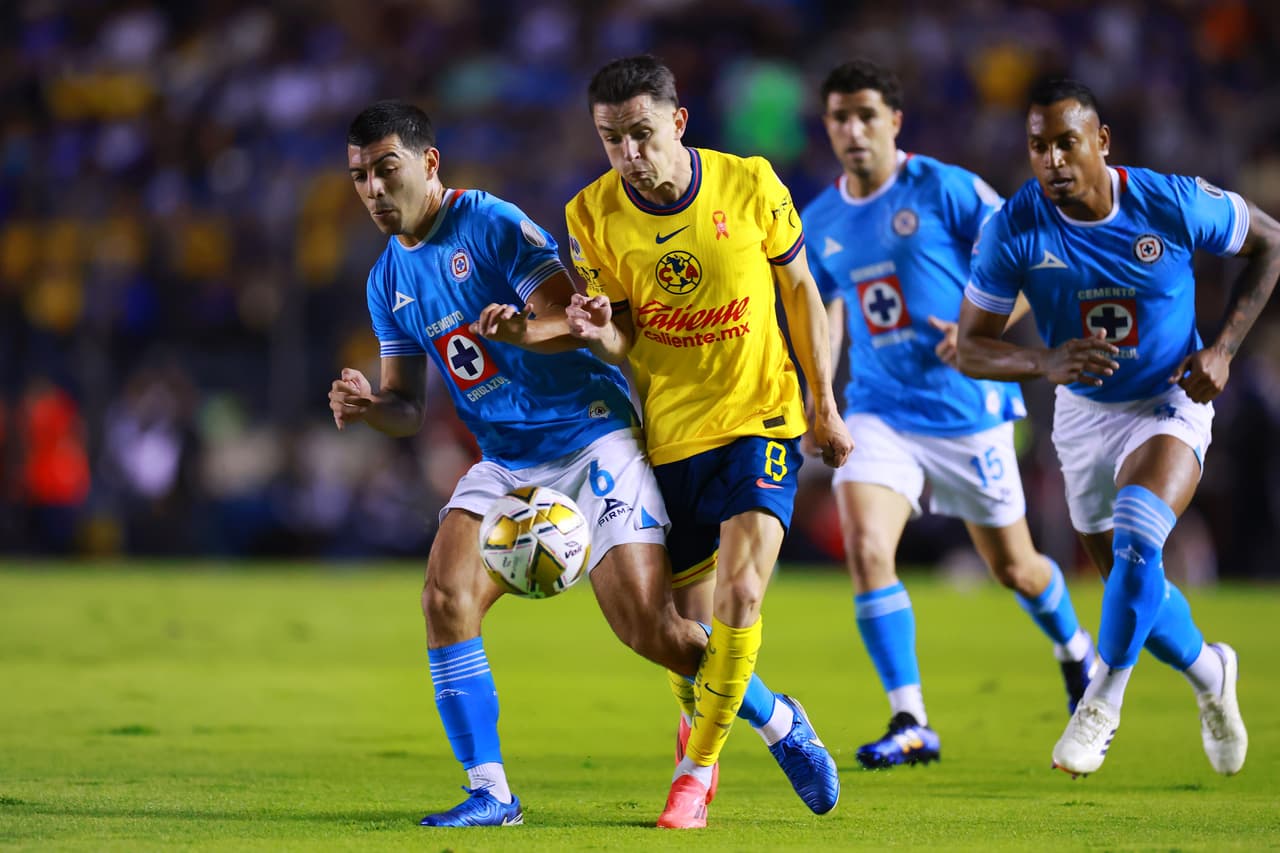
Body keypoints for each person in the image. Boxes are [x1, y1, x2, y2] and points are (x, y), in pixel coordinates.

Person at [333, 100, 832, 828]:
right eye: (360, 177)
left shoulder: (492, 224)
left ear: (429, 164)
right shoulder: (386, 282)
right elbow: (407, 405)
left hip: (591, 435)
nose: (374, 189)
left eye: (387, 169)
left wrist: (523, 328)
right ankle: (491, 792)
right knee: (444, 598)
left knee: (648, 629)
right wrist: (369, 405)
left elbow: (580, 320)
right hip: (507, 459)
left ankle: (778, 718)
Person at [564, 55, 854, 828]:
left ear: (678, 123)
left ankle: (692, 776)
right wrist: (600, 335)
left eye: (642, 133)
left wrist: (823, 404)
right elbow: (623, 339)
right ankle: (776, 716)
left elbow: (801, 291)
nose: (628, 152)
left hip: (760, 416)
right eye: (611, 138)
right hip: (669, 433)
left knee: (741, 596)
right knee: (682, 643)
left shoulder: (750, 183)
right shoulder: (589, 214)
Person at [957, 77, 1278, 777]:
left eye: (1066, 143)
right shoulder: (1015, 226)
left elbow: (1272, 244)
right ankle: (1210, 674)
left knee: (1139, 529)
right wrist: (1044, 359)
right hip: (1083, 416)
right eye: (1038, 147)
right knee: (1138, 582)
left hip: (1170, 401)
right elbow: (971, 344)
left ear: (1101, 141)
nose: (1051, 161)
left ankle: (1101, 697)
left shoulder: (1171, 201)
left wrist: (1223, 349)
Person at [800, 60, 1097, 770]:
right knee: (867, 546)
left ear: (894, 122)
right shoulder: (819, 219)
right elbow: (827, 311)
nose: (852, 130)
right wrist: (823, 397)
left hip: (967, 410)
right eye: (840, 117)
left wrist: (978, 332)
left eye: (866, 114)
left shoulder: (945, 186)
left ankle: (1075, 650)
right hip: (879, 409)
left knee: (1017, 568)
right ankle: (911, 717)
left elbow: (1027, 258)